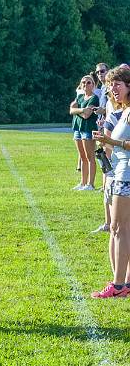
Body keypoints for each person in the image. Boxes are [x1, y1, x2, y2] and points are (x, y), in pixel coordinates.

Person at [91, 66, 130, 297]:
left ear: (129, 86)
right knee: (121, 229)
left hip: (127, 176)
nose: (113, 88)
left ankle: (117, 286)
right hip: (120, 174)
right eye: (110, 84)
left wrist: (111, 142)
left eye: (118, 84)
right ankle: (124, 283)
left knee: (118, 229)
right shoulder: (124, 110)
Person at [69, 75, 99, 190]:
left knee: (90, 156)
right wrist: (80, 110)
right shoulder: (80, 96)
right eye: (83, 82)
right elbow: (71, 110)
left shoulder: (94, 98)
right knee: (82, 157)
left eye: (89, 82)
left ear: (93, 85)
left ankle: (90, 184)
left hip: (88, 129)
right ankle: (82, 183)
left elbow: (87, 115)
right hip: (77, 128)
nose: (85, 84)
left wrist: (77, 111)